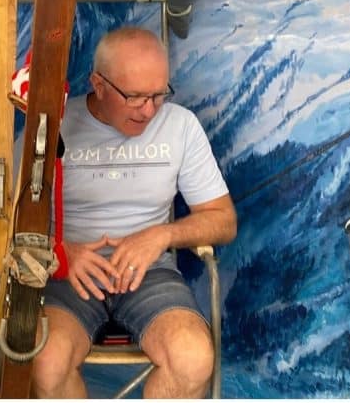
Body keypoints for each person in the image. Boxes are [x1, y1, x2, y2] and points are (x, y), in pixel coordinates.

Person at [30, 27, 237, 398]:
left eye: (159, 95)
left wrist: (162, 235)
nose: (149, 110)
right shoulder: (52, 124)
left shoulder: (180, 126)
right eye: (136, 97)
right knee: (46, 360)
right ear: (98, 84)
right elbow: (6, 226)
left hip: (149, 273)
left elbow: (223, 219)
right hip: (67, 275)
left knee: (192, 357)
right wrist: (64, 253)